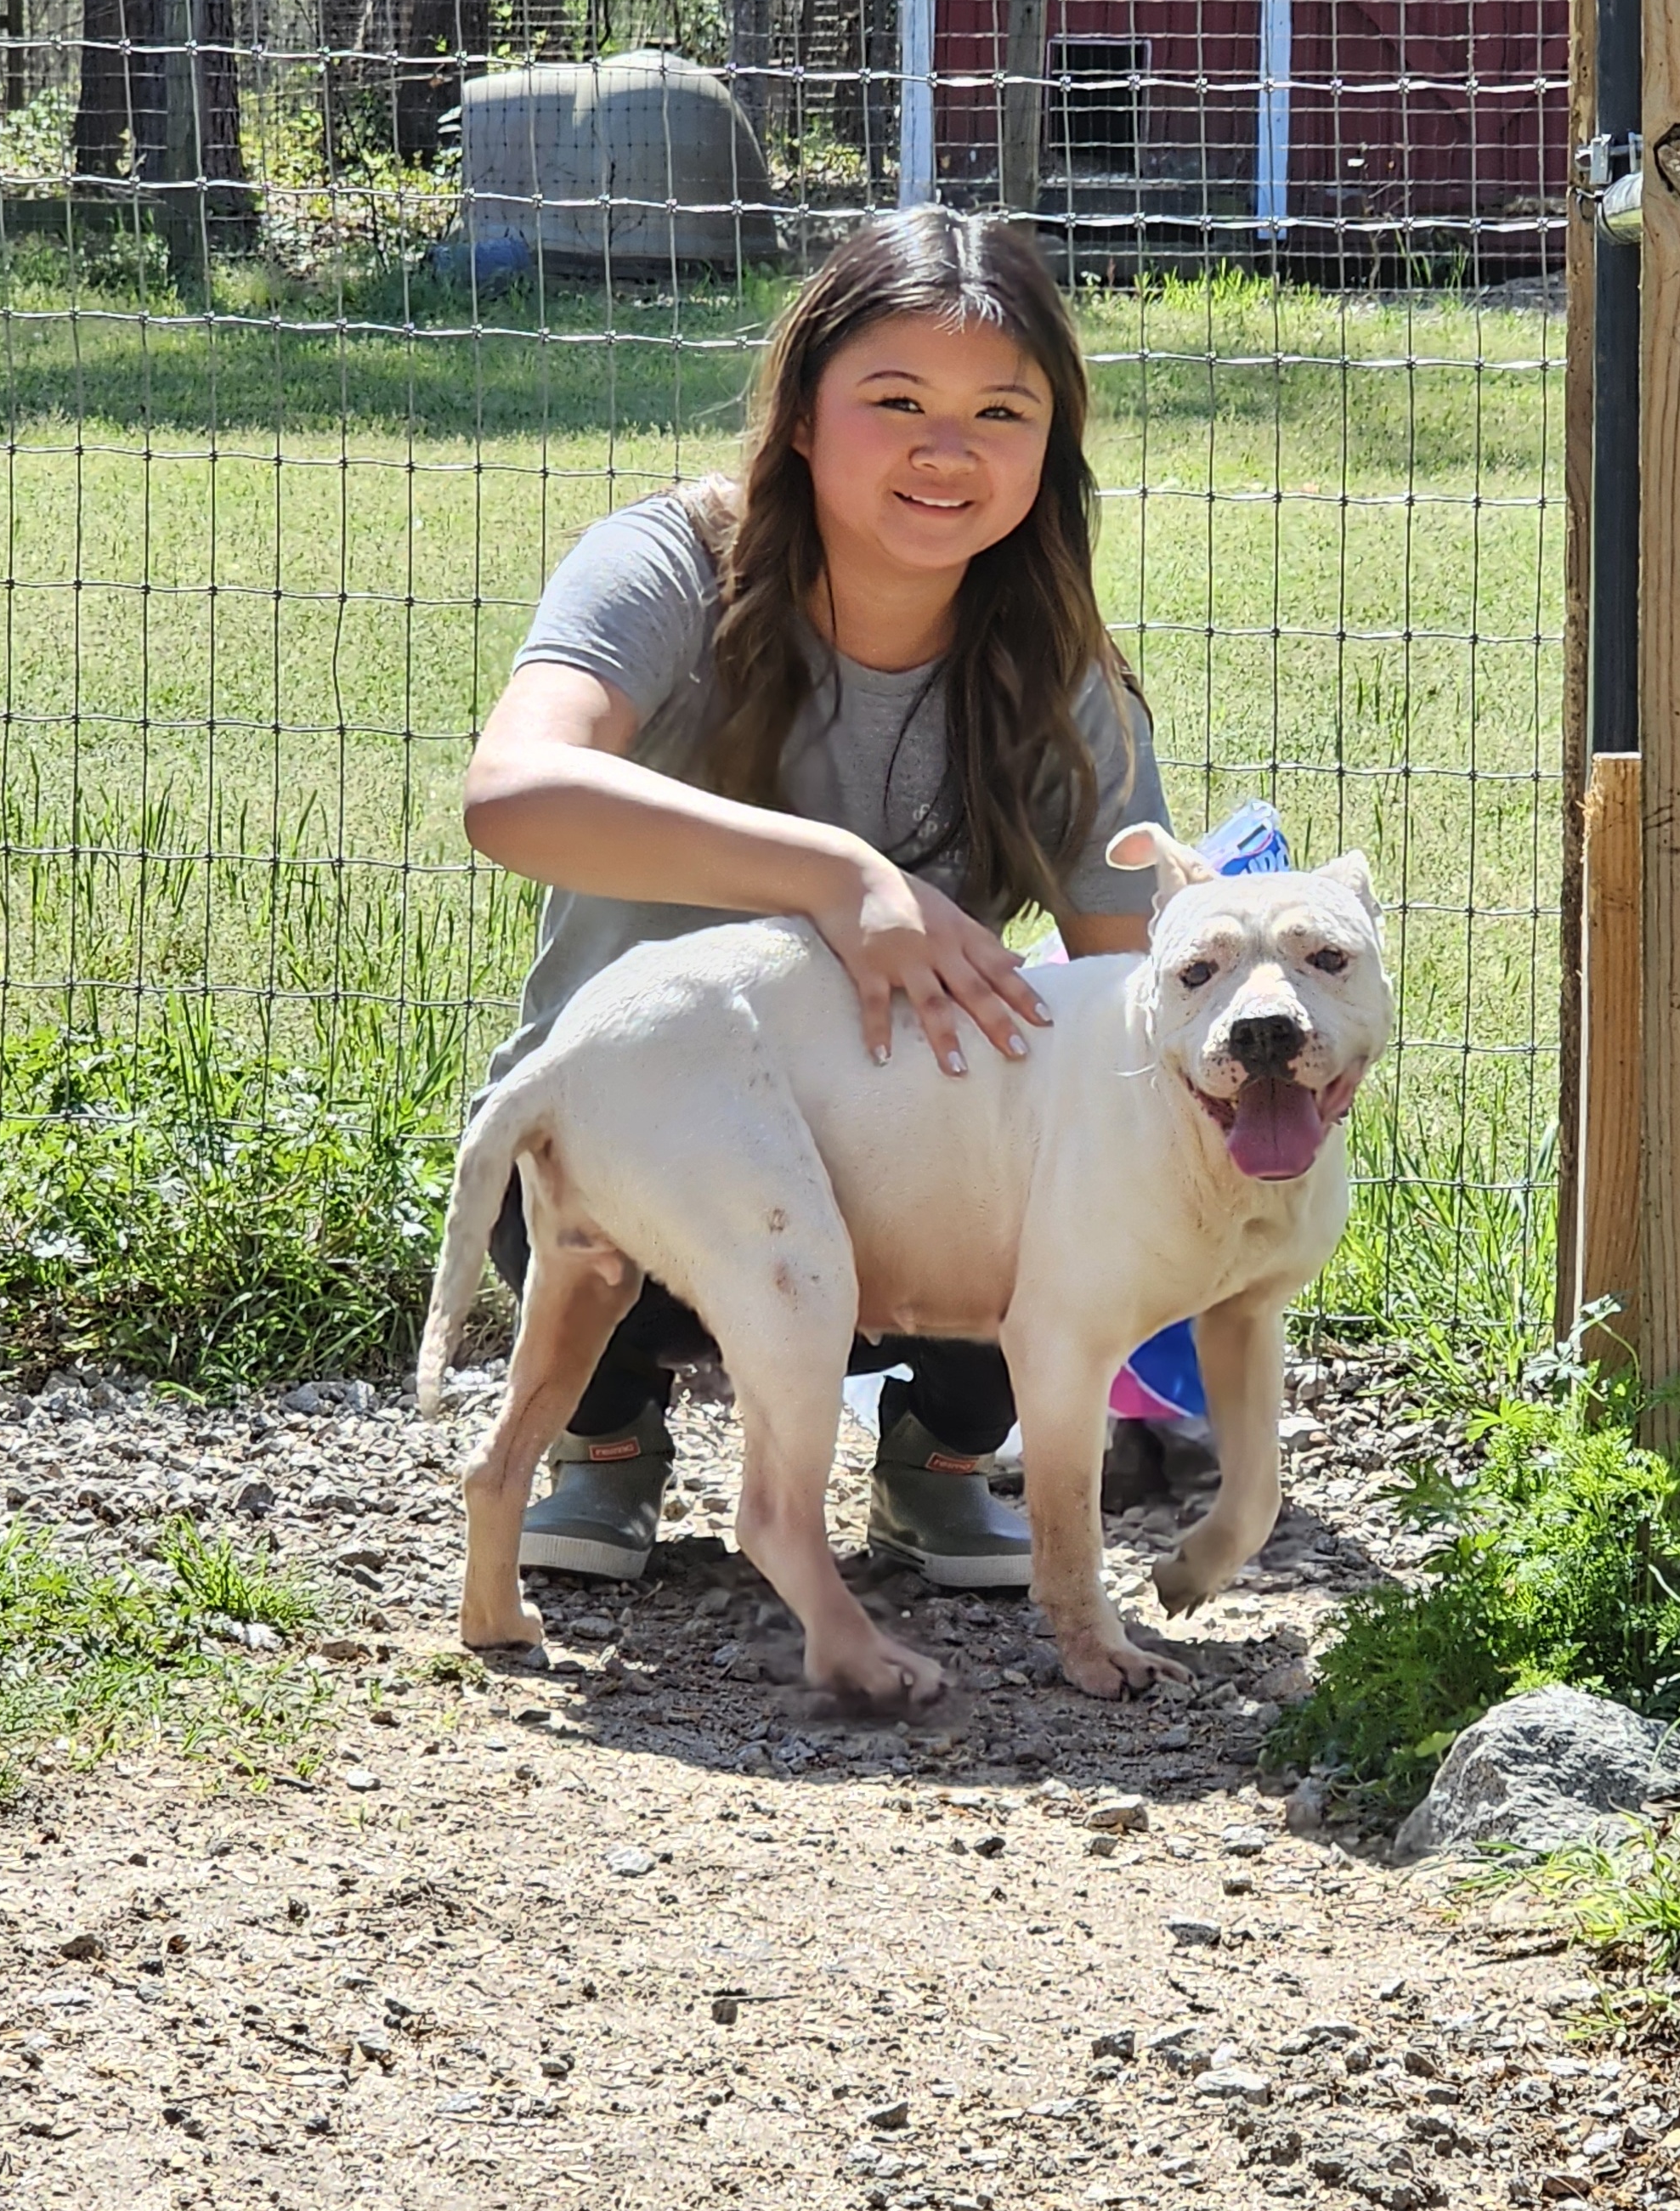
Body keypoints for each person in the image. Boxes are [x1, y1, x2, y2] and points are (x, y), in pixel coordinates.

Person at [458, 207, 1168, 1592]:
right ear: (799, 415)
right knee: (568, 1174)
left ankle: (944, 1451)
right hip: (636, 1160)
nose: (944, 450)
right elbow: (510, 793)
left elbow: (1134, 1009)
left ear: (1050, 451)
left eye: (999, 413)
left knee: (1075, 1166)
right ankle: (602, 1442)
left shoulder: (1061, 673)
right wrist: (842, 879)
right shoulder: (670, 564)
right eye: (894, 400)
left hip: (905, 1185)